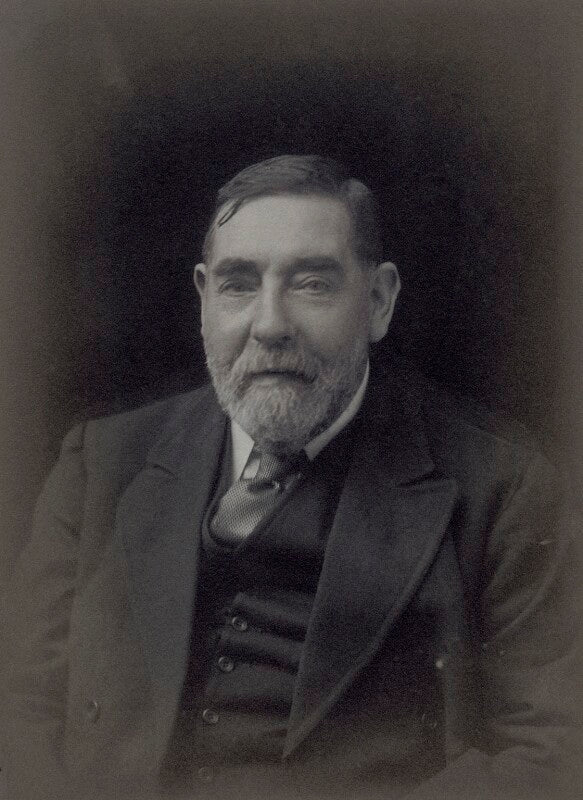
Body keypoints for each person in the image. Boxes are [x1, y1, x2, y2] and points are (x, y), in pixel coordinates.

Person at [1, 155, 580, 800]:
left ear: (379, 301)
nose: (270, 324)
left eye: (311, 284)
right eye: (238, 285)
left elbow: (553, 749)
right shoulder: (103, 463)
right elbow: (18, 709)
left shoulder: (502, 489)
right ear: (203, 299)